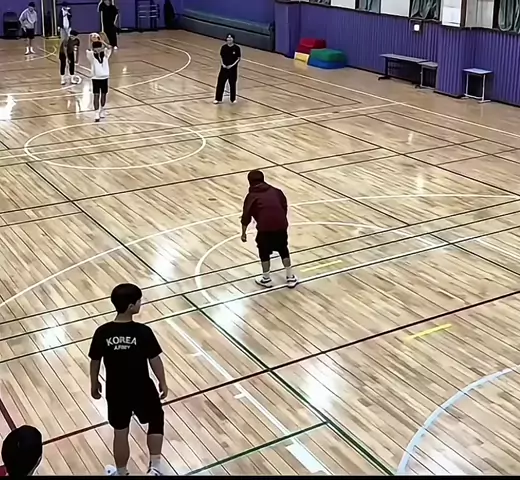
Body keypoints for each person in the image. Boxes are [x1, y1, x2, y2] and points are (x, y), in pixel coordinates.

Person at [89, 283, 168, 477]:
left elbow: (95, 360)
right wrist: (162, 381)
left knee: (120, 431)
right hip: (142, 387)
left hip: (116, 390)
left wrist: (94, 382)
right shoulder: (143, 331)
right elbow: (154, 359)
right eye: (139, 301)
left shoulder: (102, 332)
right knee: (156, 420)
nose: (141, 303)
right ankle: (155, 468)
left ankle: (122, 472)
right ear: (132, 306)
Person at [241, 170, 298, 288]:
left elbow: (246, 216)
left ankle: (266, 279)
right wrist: (280, 220)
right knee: (283, 249)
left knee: (264, 251)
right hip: (281, 225)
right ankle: (290, 277)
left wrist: (243, 233)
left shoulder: (251, 196)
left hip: (265, 228)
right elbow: (284, 206)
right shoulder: (277, 191)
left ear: (250, 182)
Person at [86, 33, 112, 122]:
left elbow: (109, 47)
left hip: (105, 77)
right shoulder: (91, 56)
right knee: (96, 95)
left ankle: (102, 109)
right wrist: (90, 41)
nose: (97, 49)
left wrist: (101, 41)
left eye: (99, 48)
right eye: (96, 48)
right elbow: (89, 49)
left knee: (104, 95)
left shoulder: (105, 55)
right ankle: (96, 113)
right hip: (95, 78)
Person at [214, 33, 241, 105]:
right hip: (224, 69)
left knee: (232, 84)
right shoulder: (224, 47)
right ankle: (218, 98)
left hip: (232, 70)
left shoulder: (237, 48)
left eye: (230, 38)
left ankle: (233, 99)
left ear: (233, 39)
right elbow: (221, 57)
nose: (229, 39)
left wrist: (231, 66)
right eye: (228, 38)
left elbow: (238, 59)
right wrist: (222, 64)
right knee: (220, 83)